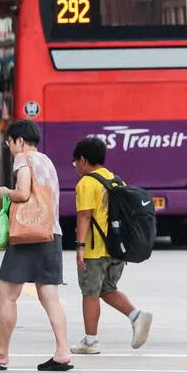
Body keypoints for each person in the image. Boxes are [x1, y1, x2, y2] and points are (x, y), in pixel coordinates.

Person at [0, 120, 72, 372]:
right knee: (50, 296)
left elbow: (24, 193)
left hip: (28, 234)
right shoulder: (47, 161)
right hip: (51, 233)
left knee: (7, 293)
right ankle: (63, 352)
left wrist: (6, 191)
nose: (10, 148)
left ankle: (0, 353)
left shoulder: (22, 159)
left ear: (19, 140)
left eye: (9, 143)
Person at [70, 136, 153, 355]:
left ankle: (90, 341)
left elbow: (84, 217)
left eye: (76, 161)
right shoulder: (116, 180)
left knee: (90, 293)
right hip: (117, 248)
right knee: (107, 289)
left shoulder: (86, 183)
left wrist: (80, 247)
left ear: (83, 159)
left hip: (95, 250)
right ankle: (136, 316)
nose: (75, 166)